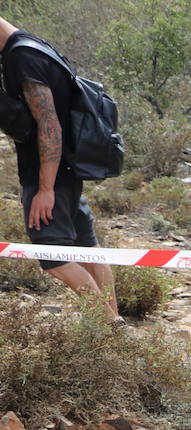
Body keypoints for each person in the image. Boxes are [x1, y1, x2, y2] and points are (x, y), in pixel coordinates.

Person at [0, 18, 118, 321]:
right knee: (87, 249)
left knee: (55, 260)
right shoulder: (35, 46)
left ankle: (110, 328)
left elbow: (49, 123)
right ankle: (113, 323)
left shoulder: (21, 57)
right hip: (68, 170)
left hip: (49, 176)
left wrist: (45, 189)